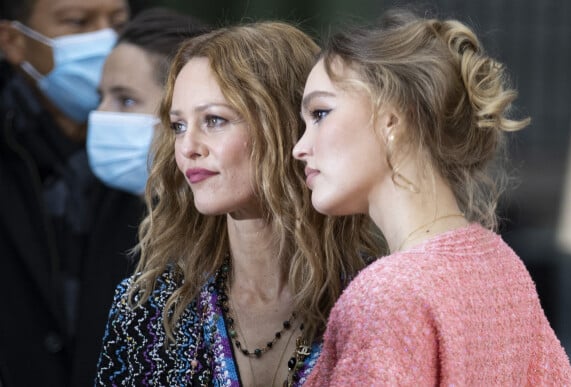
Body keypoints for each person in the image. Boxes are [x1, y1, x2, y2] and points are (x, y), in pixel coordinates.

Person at [293, 8, 571, 385]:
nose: (299, 147)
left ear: (391, 120)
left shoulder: (386, 297)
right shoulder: (503, 267)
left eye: (320, 113)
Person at [95, 21, 379, 386]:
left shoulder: (373, 302)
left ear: (286, 127)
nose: (187, 147)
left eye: (214, 120)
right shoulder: (147, 309)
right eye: (178, 125)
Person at [0, 1, 146, 386]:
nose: (106, 39)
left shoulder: (143, 145)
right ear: (12, 41)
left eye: (117, 22)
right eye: (78, 22)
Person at [86, 7, 210, 195]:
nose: (100, 114)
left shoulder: (230, 218)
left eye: (126, 101)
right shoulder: (91, 202)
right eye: (101, 97)